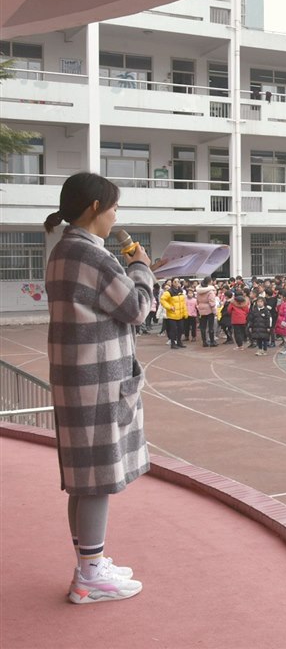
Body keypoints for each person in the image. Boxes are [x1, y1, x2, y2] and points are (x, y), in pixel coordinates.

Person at [44, 172, 154, 604]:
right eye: (113, 209)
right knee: (96, 481)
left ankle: (89, 562)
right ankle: (89, 577)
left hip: (76, 377)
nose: (115, 217)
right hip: (98, 381)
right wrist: (142, 267)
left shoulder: (62, 249)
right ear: (94, 208)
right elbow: (137, 308)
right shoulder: (93, 255)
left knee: (82, 479)